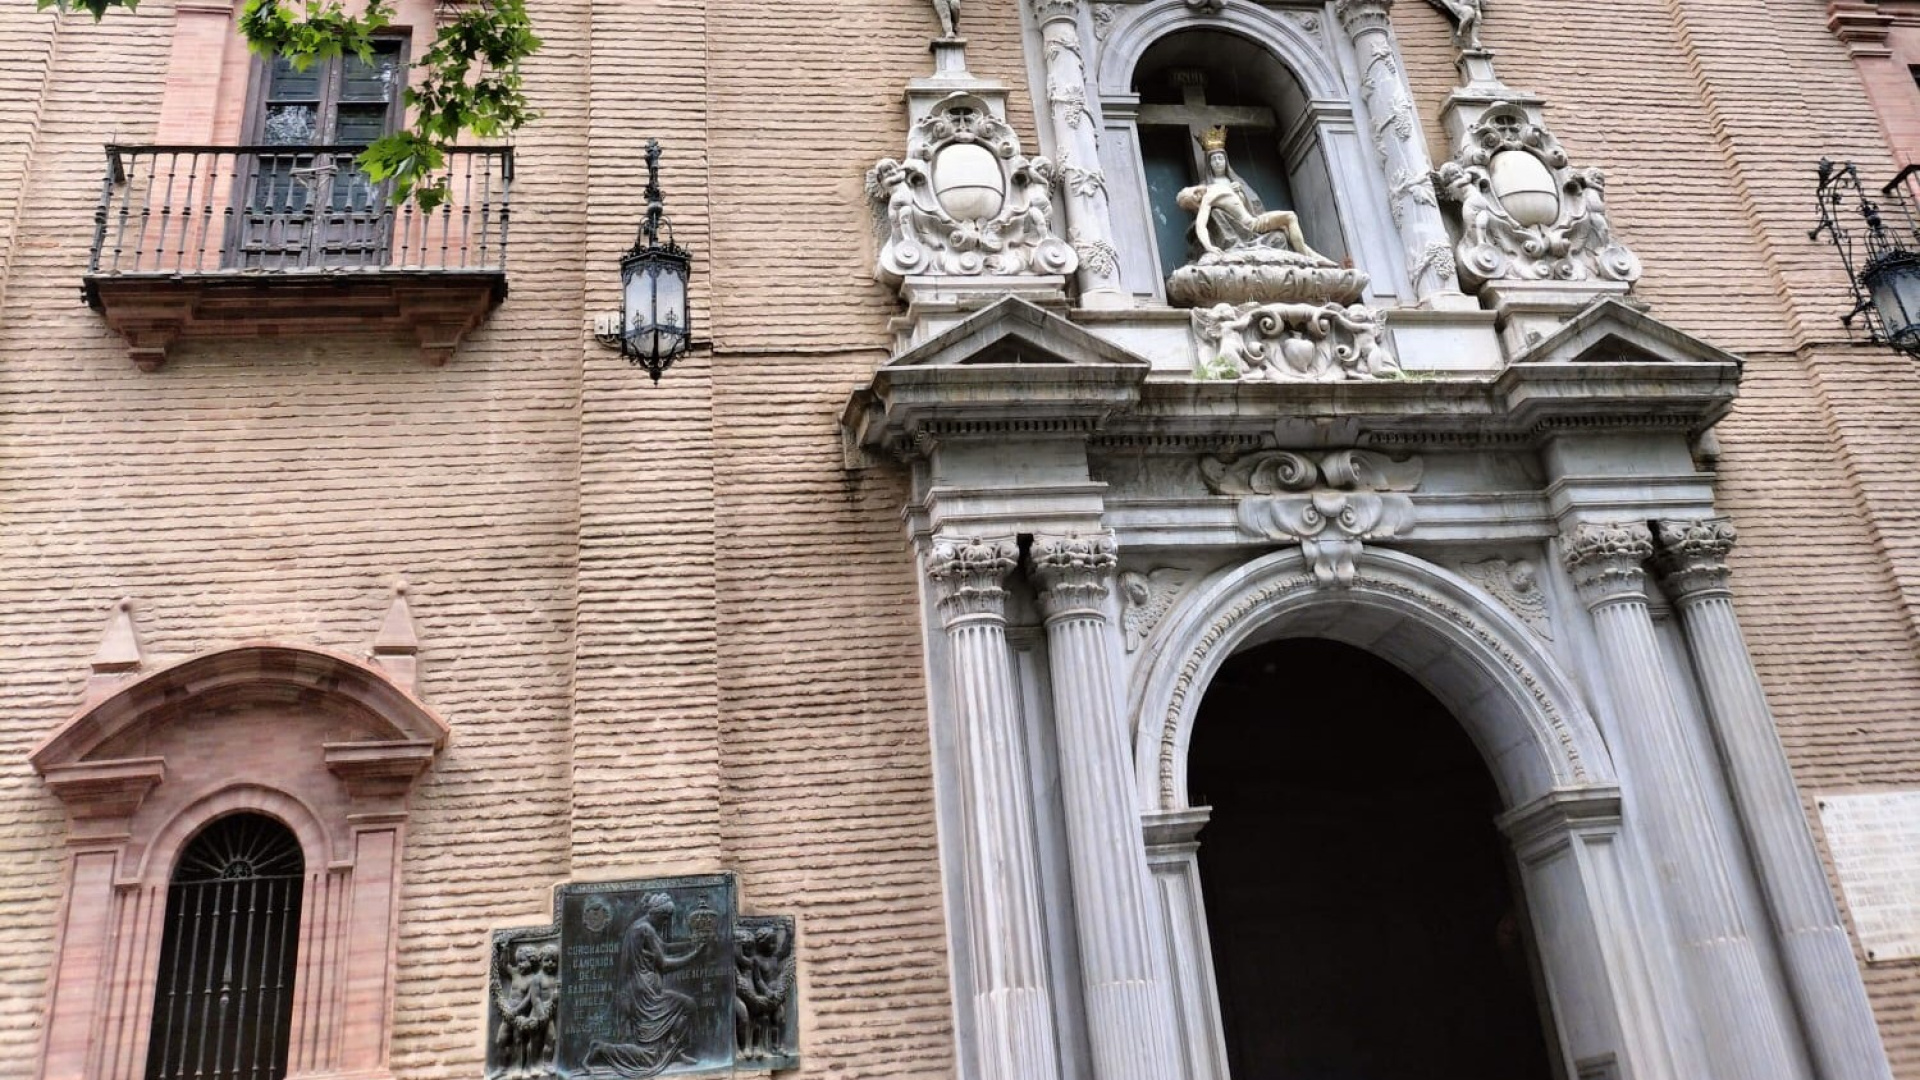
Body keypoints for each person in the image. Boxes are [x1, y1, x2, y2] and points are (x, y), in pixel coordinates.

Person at [585, 893, 708, 1078]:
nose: (666, 923)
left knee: (685, 1009)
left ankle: (674, 1052)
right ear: (657, 914)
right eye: (665, 918)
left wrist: (690, 944)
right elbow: (664, 964)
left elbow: (662, 947)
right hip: (646, 996)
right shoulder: (645, 930)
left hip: (645, 990)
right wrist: (695, 956)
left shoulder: (642, 926)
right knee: (685, 1008)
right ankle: (601, 1049)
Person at [1176, 126, 1331, 264]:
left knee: (1284, 230)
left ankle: (1314, 257)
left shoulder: (1235, 183)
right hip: (1251, 224)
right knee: (1289, 218)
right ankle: (1308, 258)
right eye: (1195, 195)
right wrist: (1209, 247)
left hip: (1253, 218)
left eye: (1220, 158)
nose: (1217, 162)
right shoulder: (1209, 195)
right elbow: (1200, 225)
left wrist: (1240, 193)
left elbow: (1247, 205)